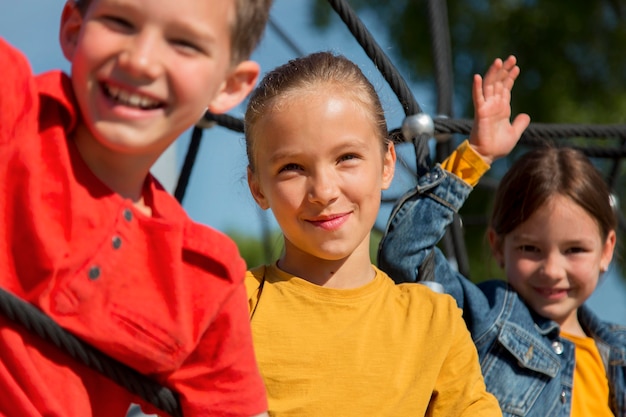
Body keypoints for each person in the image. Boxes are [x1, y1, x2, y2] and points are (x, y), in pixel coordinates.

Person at [0, 0, 273, 416]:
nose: (141, 60)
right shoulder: (14, 111)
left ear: (229, 85)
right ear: (74, 29)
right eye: (119, 22)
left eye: (184, 44)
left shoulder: (205, 278)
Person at [241, 51, 528, 416]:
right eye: (292, 167)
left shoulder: (432, 321)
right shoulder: (237, 306)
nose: (324, 191)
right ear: (259, 188)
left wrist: (476, 155)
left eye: (346, 157)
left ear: (387, 164)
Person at [378, 94, 625, 415]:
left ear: (606, 251)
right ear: (497, 246)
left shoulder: (617, 355)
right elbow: (404, 253)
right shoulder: (488, 316)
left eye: (574, 250)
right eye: (530, 249)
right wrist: (476, 155)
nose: (552, 269)